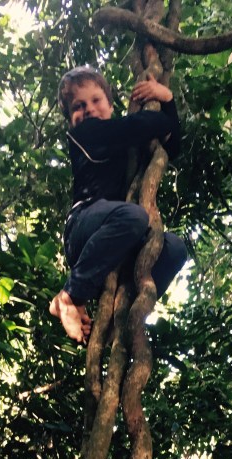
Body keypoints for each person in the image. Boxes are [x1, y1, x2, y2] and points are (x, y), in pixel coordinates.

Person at [49, 66, 188, 343]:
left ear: (111, 106)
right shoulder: (87, 133)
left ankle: (119, 323)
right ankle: (69, 296)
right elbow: (147, 125)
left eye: (96, 100)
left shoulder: (120, 139)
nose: (88, 109)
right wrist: (165, 100)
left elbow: (171, 148)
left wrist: (168, 100)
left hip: (118, 235)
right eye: (79, 106)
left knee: (174, 248)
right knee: (134, 217)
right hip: (84, 225)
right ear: (71, 120)